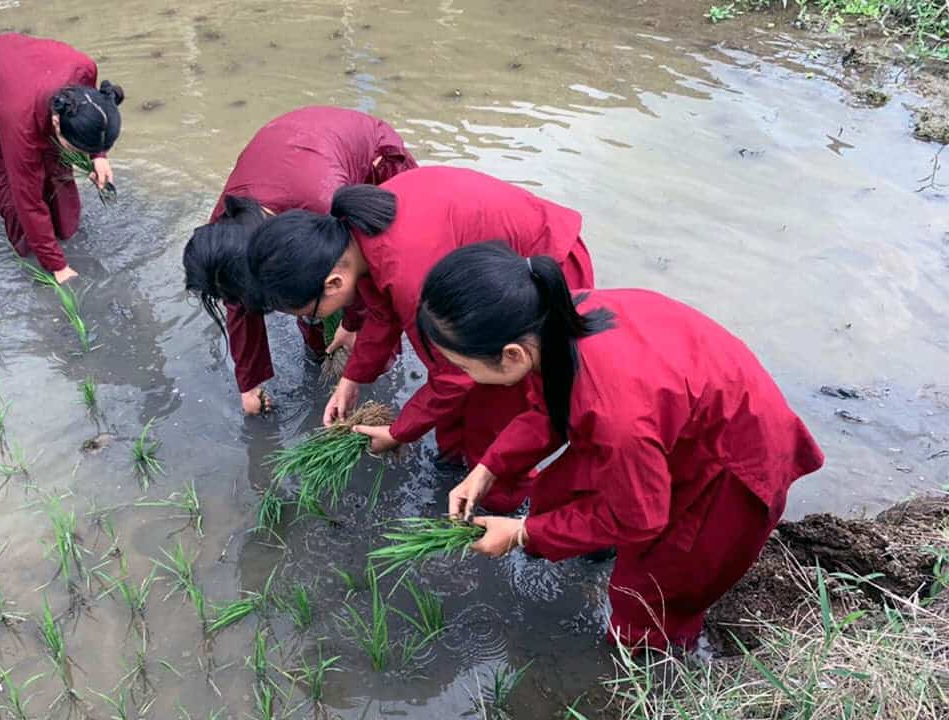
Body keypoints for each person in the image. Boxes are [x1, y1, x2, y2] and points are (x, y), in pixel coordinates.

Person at [414, 243, 824, 649]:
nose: (460, 374)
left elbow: (640, 518)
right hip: (678, 421)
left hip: (729, 467)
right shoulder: (553, 318)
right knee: (563, 493)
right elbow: (550, 408)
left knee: (649, 592)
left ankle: (646, 666)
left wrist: (522, 533)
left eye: (464, 366)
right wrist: (488, 470)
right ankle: (595, 548)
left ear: (512, 355)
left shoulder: (614, 413)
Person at [245, 166, 594, 508]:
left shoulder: (409, 272)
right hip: (485, 276)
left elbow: (453, 377)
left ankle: (497, 506)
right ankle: (454, 461)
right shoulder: (354, 240)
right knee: (465, 394)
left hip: (540, 274)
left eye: (308, 313)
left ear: (333, 283)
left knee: (496, 405)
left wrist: (400, 431)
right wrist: (352, 379)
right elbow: (383, 314)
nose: (311, 320)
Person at [183, 106, 418, 415]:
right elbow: (238, 299)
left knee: (375, 287)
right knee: (306, 297)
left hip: (368, 156)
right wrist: (249, 384)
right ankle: (321, 351)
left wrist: (353, 324)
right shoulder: (225, 231)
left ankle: (380, 368)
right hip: (295, 147)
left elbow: (363, 267)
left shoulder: (324, 206)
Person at [0, 33, 124, 284]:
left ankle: (66, 232)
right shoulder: (20, 123)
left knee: (58, 169)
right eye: (75, 145)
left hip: (24, 75)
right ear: (56, 122)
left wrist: (99, 156)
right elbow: (27, 199)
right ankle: (31, 255)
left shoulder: (85, 70)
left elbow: (93, 119)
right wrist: (58, 266)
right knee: (11, 190)